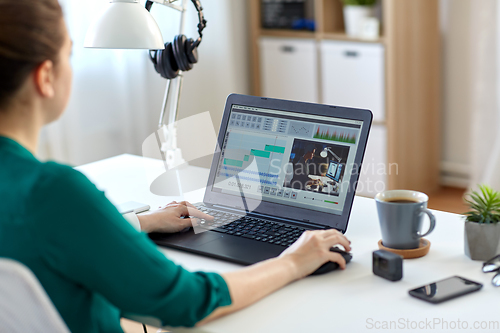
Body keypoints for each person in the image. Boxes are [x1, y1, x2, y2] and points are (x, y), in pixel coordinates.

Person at [0, 1, 351, 332]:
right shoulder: (53, 192)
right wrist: (292, 261)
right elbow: (185, 301)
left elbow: (54, 232)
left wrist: (143, 222)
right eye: (69, 54)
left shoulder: (36, 195)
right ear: (45, 77)